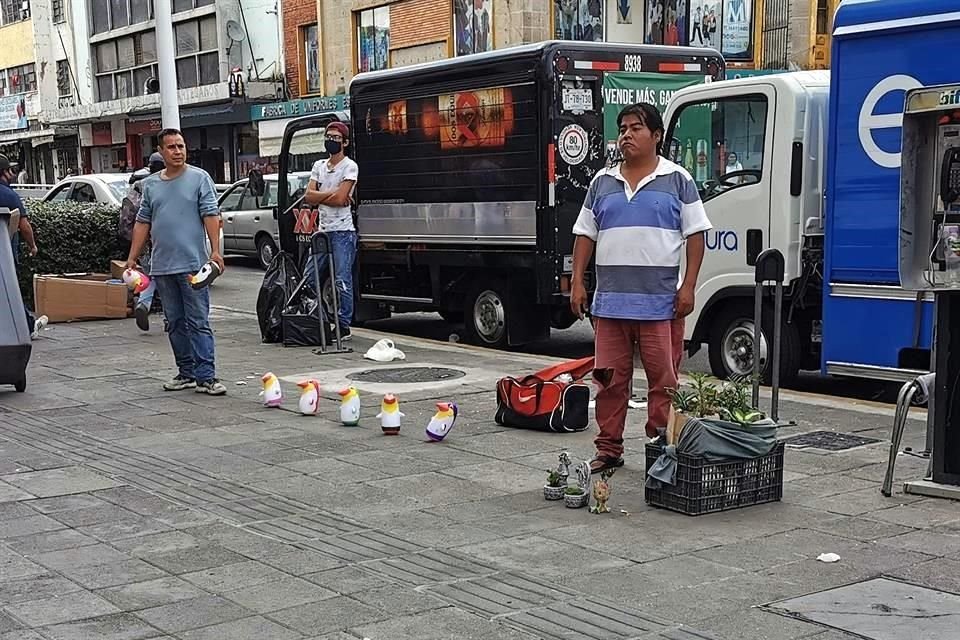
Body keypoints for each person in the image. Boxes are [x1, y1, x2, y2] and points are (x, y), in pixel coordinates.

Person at [570, 103, 711, 474]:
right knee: (609, 380)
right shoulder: (601, 182)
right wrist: (577, 283)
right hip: (610, 305)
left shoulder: (678, 179)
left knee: (664, 382)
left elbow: (696, 236)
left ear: (657, 135)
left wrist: (689, 286)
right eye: (623, 128)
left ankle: (660, 447)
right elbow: (585, 234)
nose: (627, 135)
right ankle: (608, 448)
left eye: (636, 128)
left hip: (660, 305)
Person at [125, 129, 226, 395]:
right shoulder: (152, 186)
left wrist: (215, 251)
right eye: (171, 147)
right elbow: (143, 222)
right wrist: (132, 258)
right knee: (175, 323)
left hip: (193, 265)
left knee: (198, 321)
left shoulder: (199, 178)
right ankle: (186, 373)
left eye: (181, 146)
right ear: (161, 151)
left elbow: (211, 215)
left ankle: (207, 376)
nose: (178, 151)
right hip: (162, 266)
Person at [304, 121, 359, 340]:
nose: (331, 141)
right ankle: (318, 317)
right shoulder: (319, 165)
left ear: (345, 142)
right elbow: (309, 197)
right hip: (322, 231)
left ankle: (343, 325)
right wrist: (334, 194)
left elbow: (339, 199)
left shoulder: (350, 166)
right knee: (310, 277)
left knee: (341, 279)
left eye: (336, 138)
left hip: (343, 232)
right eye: (328, 137)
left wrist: (324, 196)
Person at [0, 154, 45, 338]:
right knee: (11, 291)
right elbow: (24, 226)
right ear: (4, 172)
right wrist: (33, 246)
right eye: (10, 170)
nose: (12, 174)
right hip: (6, 255)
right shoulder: (9, 195)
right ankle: (27, 326)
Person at [120, 152, 164, 331]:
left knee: (149, 276)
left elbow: (126, 217)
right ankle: (169, 318)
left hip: (142, 243)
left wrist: (132, 245)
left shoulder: (138, 186)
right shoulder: (164, 184)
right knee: (166, 281)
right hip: (162, 240)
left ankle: (144, 303)